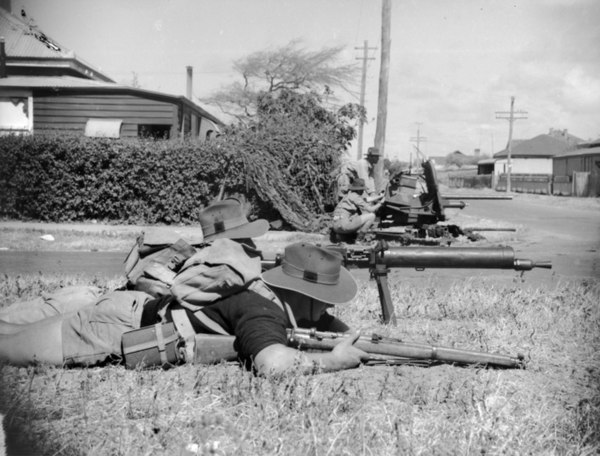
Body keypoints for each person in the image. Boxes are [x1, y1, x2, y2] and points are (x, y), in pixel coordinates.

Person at [0, 205, 367, 375]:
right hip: (113, 328)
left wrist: (349, 336)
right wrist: (332, 361)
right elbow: (273, 364)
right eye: (323, 303)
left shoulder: (257, 288)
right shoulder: (262, 313)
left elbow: (321, 323)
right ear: (304, 296)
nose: (326, 312)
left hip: (131, 307)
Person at [332, 178, 383, 242]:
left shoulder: (349, 195)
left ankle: (342, 237)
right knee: (371, 216)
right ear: (359, 190)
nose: (363, 191)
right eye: (362, 190)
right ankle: (359, 240)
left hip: (336, 227)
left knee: (355, 216)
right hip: (345, 226)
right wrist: (381, 203)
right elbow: (371, 209)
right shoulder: (355, 197)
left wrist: (380, 196)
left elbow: (366, 199)